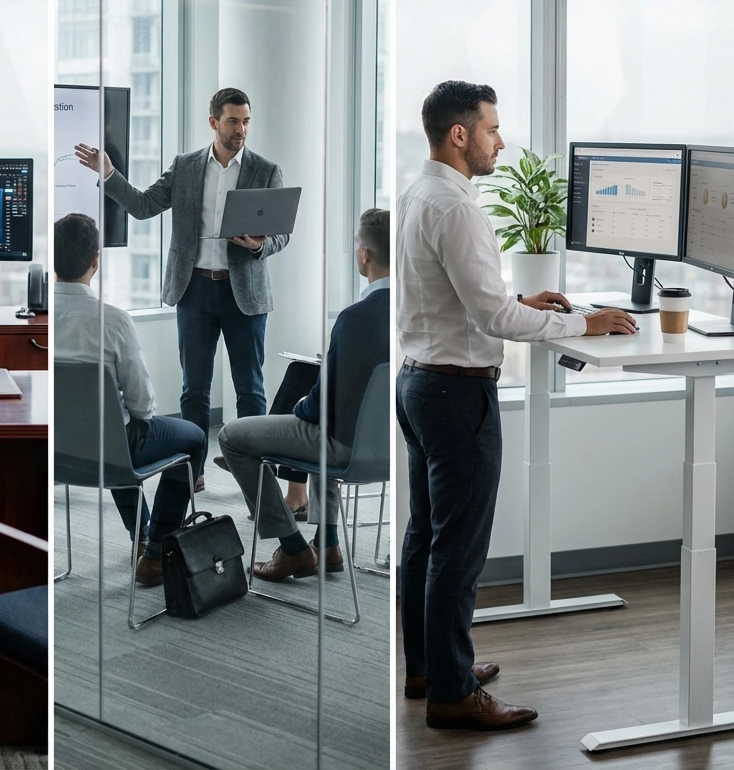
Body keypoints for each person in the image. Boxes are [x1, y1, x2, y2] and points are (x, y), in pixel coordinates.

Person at [397, 80, 637, 731]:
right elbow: (491, 316)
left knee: (425, 536)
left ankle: (426, 666)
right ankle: (450, 692)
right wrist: (584, 324)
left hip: (418, 383)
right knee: (459, 549)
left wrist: (522, 304)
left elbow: (455, 298)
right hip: (454, 392)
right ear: (459, 135)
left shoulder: (419, 192)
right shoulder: (458, 207)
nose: (500, 140)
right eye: (492, 129)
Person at [76, 88, 289, 493]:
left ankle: (256, 480)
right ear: (213, 122)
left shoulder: (266, 170)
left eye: (246, 121)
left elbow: (281, 234)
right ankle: (194, 473)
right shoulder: (187, 166)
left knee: (251, 389)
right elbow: (142, 205)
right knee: (194, 388)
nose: (241, 129)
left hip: (244, 292)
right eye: (232, 121)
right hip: (193, 289)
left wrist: (260, 245)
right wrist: (107, 173)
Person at [217, 209, 390, 580]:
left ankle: (294, 549)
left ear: (365, 254)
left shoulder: (356, 317)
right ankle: (326, 544)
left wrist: (300, 405)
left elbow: (320, 403)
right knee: (325, 421)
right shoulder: (414, 312)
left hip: (345, 449)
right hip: (391, 449)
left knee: (231, 437)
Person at [53, 212, 207, 586]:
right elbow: (143, 407)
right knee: (193, 438)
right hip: (112, 453)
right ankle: (155, 552)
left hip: (58, 456)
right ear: (95, 262)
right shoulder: (114, 321)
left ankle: (142, 537)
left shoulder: (39, 321)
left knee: (116, 433)